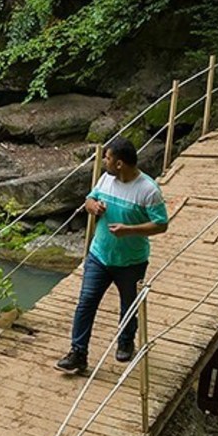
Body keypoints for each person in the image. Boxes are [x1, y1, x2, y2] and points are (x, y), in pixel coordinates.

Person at [56, 136, 169, 375]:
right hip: (99, 255)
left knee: (129, 305)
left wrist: (130, 230)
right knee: (86, 302)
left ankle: (126, 341)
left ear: (119, 163)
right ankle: (78, 353)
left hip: (131, 260)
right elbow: (90, 199)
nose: (104, 161)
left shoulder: (148, 190)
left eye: (107, 158)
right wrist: (92, 207)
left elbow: (161, 224)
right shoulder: (106, 179)